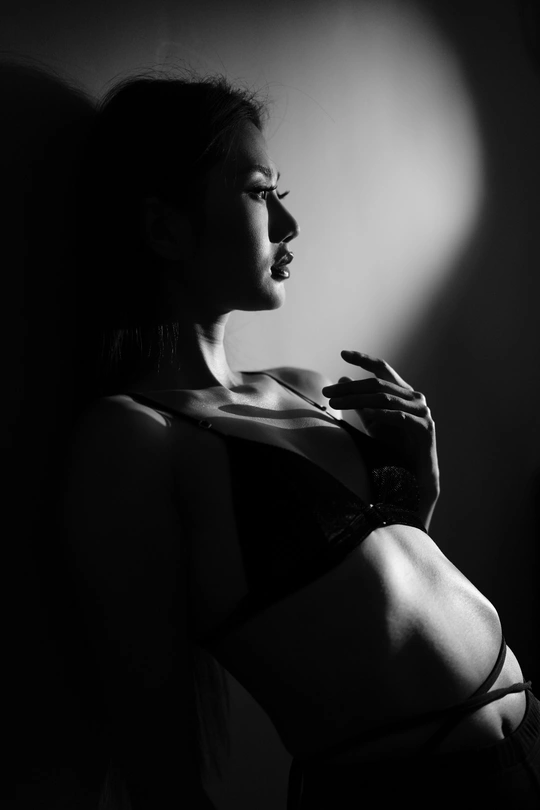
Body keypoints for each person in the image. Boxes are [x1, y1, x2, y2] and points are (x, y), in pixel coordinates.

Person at [60, 70, 540, 810]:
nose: (288, 223)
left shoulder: (305, 387)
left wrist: (422, 487)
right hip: (413, 791)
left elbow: (376, 603)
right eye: (260, 192)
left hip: (530, 732)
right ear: (164, 229)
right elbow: (153, 745)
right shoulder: (134, 437)